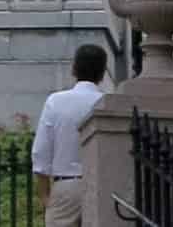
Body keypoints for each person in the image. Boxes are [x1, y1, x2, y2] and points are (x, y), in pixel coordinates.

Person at [30, 42, 109, 227]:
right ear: (103, 72)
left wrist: (45, 196)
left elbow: (41, 152)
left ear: (74, 69)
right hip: (102, 186)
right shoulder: (108, 102)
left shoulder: (56, 101)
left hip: (65, 185)